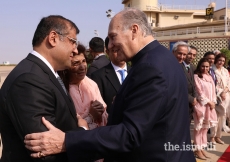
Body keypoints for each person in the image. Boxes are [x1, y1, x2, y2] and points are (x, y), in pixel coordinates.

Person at [25, 8, 196, 162]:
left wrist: (66, 141)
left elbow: (130, 134)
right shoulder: (163, 58)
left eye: (113, 37)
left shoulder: (149, 67)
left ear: (134, 30)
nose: (110, 45)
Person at [0, 15, 87, 161]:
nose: (75, 50)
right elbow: (45, 150)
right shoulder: (29, 80)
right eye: (73, 42)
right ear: (53, 38)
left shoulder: (45, 74)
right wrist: (82, 131)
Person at [58, 44, 108, 130]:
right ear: (66, 67)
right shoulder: (62, 89)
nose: (82, 67)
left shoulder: (92, 84)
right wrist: (90, 116)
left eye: (84, 61)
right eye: (76, 63)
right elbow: (67, 124)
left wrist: (100, 110)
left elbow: (104, 115)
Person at [91, 37, 130, 114]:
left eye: (121, 49)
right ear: (107, 52)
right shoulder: (98, 76)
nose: (120, 53)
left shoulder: (135, 71)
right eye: (115, 50)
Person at [193, 58, 217, 160]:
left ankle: (202, 147)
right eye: (203, 66)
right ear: (199, 66)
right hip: (201, 105)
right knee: (199, 128)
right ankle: (197, 149)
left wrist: (213, 102)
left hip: (210, 106)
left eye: (207, 66)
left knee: (205, 128)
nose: (205, 68)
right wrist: (209, 102)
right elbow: (199, 92)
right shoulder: (196, 76)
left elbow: (213, 91)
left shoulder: (209, 76)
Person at [210, 54, 230, 144]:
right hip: (216, 96)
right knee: (215, 118)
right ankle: (212, 137)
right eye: (219, 60)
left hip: (225, 96)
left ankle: (218, 136)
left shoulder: (225, 70)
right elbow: (211, 84)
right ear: (216, 60)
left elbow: (228, 83)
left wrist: (225, 91)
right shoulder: (211, 70)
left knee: (223, 117)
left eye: (223, 61)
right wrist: (221, 92)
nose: (221, 62)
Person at [182, 45, 197, 122]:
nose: (191, 57)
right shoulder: (178, 66)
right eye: (190, 54)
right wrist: (191, 99)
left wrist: (195, 98)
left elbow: (194, 85)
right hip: (181, 103)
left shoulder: (193, 68)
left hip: (191, 105)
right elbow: (178, 87)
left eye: (194, 55)